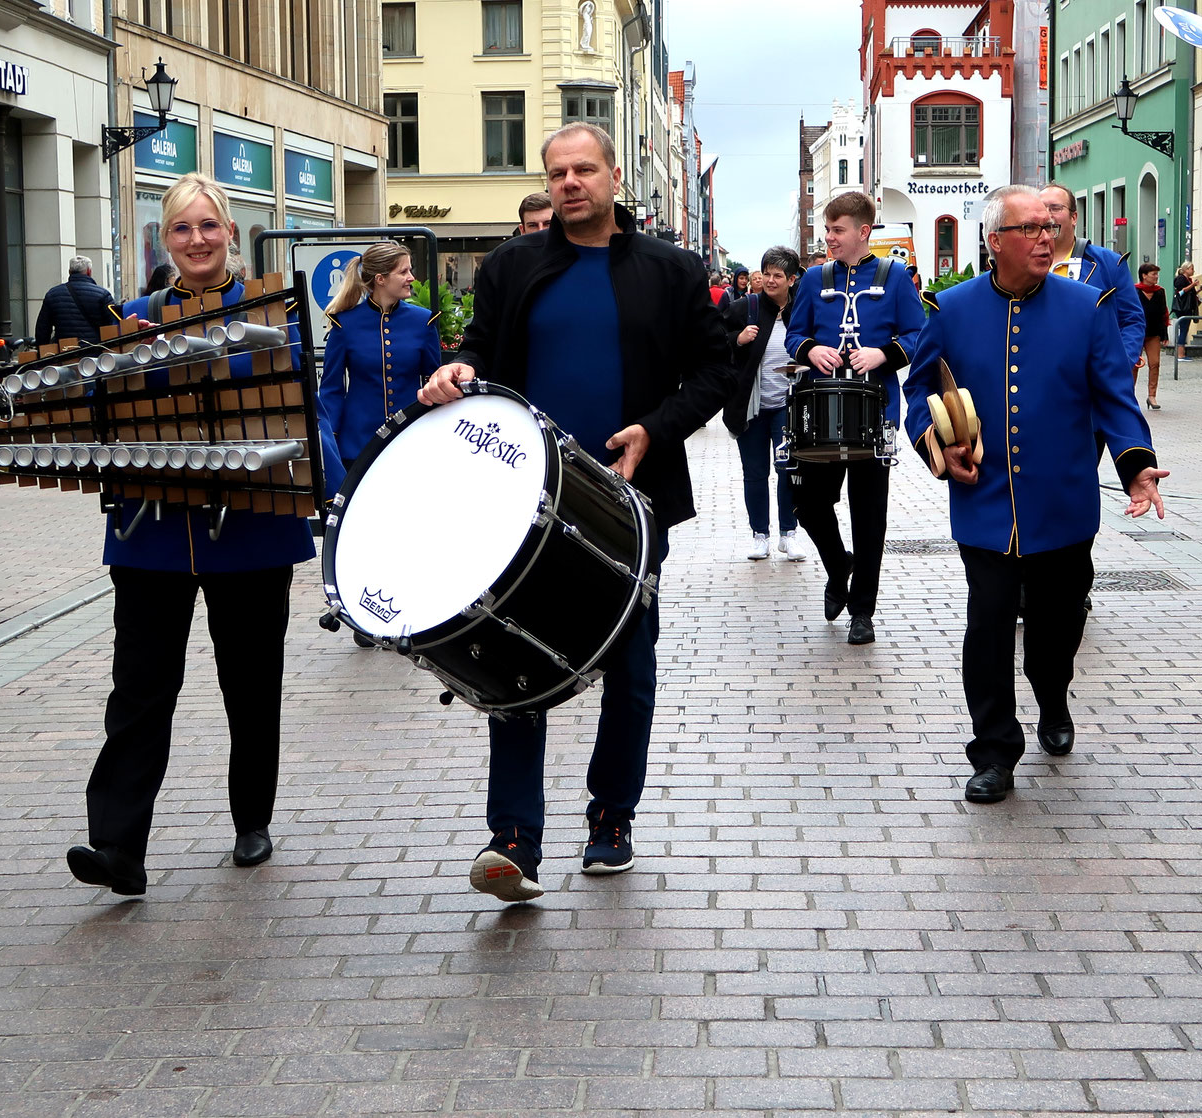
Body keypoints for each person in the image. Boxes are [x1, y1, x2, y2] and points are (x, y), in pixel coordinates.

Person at [416, 123, 731, 902]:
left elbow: (717, 368)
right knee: (509, 652)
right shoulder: (514, 265)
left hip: (630, 498)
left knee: (629, 666)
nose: (569, 183)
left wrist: (654, 431)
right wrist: (458, 369)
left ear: (614, 176)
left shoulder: (673, 269)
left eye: (584, 169)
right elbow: (482, 350)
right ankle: (514, 839)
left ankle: (611, 819)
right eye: (557, 172)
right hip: (518, 496)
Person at [65, 171, 327, 897]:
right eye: (183, 228)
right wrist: (125, 360)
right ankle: (118, 847)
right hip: (152, 531)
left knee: (250, 684)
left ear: (231, 235)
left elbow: (292, 389)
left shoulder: (272, 307)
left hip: (250, 529)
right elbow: (98, 409)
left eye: (209, 226)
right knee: (140, 692)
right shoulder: (135, 313)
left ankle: (252, 818)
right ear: (168, 240)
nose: (197, 239)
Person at [906, 186, 1167, 801]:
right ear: (996, 241)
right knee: (989, 626)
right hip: (984, 503)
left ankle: (1052, 695)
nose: (1047, 237)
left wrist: (1136, 466)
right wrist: (936, 448)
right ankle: (994, 750)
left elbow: (1113, 399)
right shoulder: (951, 308)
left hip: (1063, 504)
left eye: (1052, 227)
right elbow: (917, 394)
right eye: (1031, 228)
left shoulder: (1088, 307)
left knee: (1055, 630)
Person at [785, 191, 926, 646]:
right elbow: (794, 335)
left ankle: (862, 610)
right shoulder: (812, 279)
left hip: (874, 412)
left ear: (863, 232)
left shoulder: (897, 277)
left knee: (870, 518)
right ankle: (836, 566)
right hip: (820, 409)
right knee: (806, 504)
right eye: (827, 230)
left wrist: (882, 353)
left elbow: (918, 335)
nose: (829, 238)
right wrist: (811, 349)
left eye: (837, 230)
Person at [316, 241, 444, 641]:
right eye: (404, 272)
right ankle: (363, 610)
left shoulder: (423, 321)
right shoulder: (344, 323)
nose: (412, 278)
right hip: (359, 444)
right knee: (364, 531)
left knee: (407, 527)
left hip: (410, 441)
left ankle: (408, 605)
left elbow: (436, 381)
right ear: (379, 279)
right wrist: (330, 443)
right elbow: (332, 389)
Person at [721, 246, 807, 562]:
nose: (770, 280)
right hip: (752, 405)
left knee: (788, 468)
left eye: (778, 275)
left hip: (789, 405)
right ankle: (760, 535)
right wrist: (737, 339)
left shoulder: (802, 310)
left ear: (792, 279)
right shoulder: (749, 307)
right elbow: (714, 333)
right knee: (754, 472)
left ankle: (789, 534)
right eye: (766, 274)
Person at [1040, 184, 1145, 369]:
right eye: (1042, 209)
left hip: (1092, 380)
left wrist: (1121, 364)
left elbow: (1132, 320)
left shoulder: (1110, 264)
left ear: (1074, 217)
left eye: (1055, 208)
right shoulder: (1024, 263)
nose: (1048, 215)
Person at [34, 255, 122, 345]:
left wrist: (42, 351)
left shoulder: (52, 294)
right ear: (89, 271)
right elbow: (113, 325)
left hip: (65, 352)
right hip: (94, 352)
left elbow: (42, 329)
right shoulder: (102, 294)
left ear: (69, 272)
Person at [1135, 262, 1168, 409]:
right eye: (1153, 274)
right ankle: (1129, 395)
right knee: (1134, 365)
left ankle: (1152, 396)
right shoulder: (1134, 291)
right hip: (1136, 333)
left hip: (1154, 333)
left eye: (1156, 274)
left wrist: (1164, 334)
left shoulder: (1160, 291)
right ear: (1144, 275)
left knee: (1154, 363)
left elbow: (1163, 313)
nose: (1156, 277)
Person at [1171, 262, 1201, 356]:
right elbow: (1181, 292)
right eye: (1191, 268)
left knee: (1185, 328)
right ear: (1186, 269)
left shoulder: (1189, 280)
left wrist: (1199, 289)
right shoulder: (1181, 279)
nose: (1193, 270)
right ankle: (1180, 354)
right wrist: (1193, 285)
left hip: (1188, 307)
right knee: (1184, 328)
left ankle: (1181, 352)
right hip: (1183, 307)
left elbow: (1191, 293)